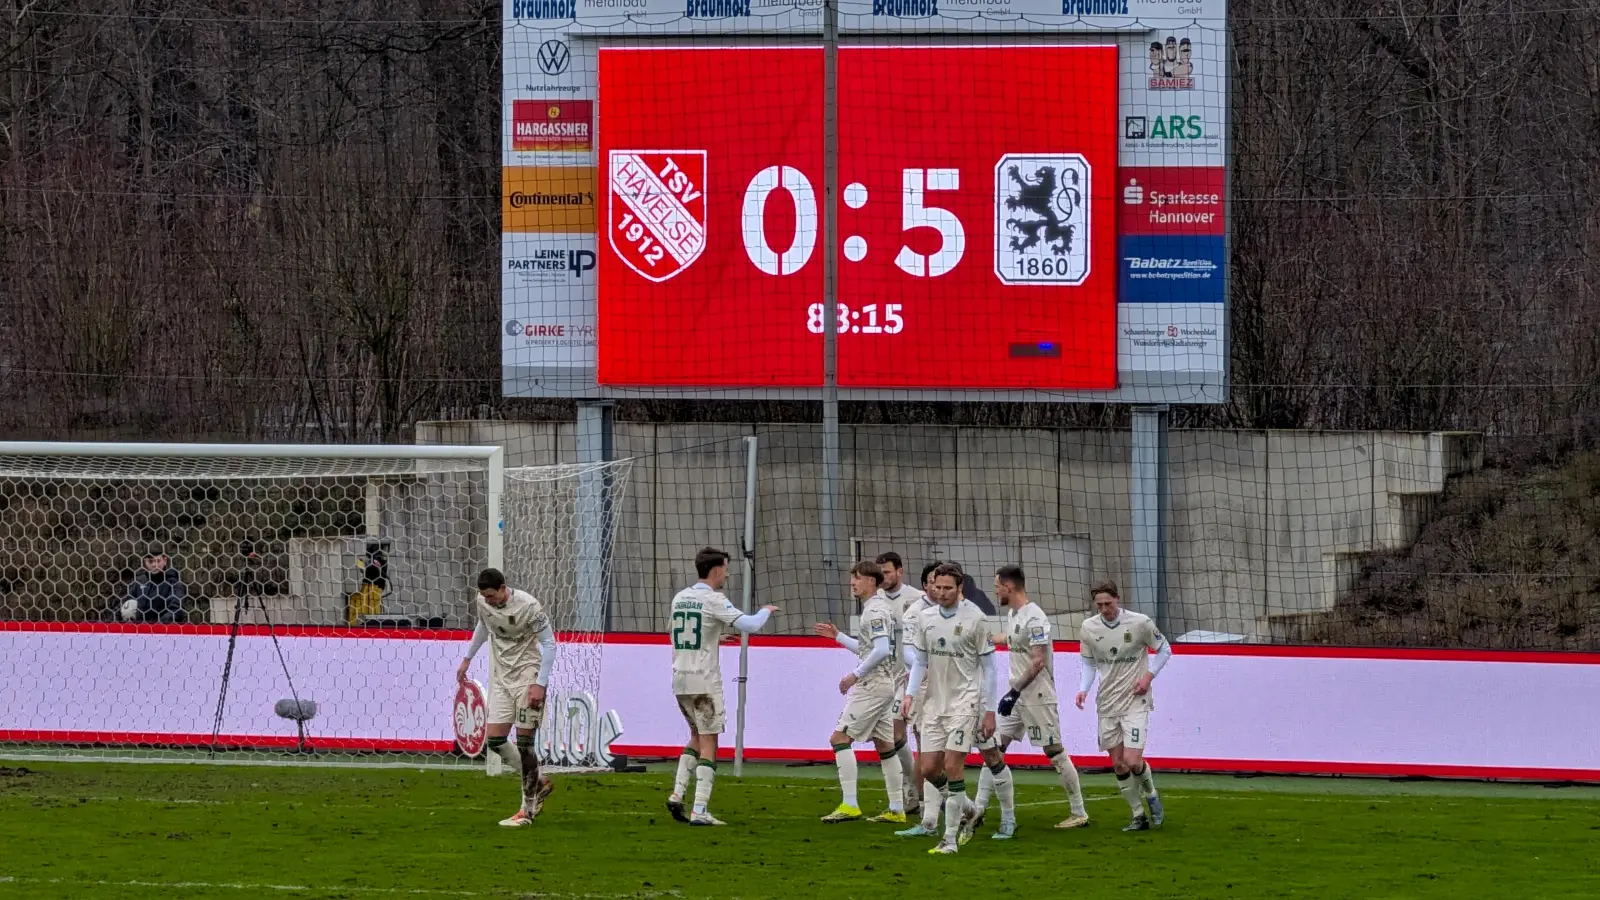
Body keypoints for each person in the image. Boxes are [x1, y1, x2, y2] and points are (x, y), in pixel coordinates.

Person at [666, 547, 779, 826]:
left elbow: (679, 633)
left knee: (695, 735)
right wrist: (765, 611)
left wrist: (715, 637)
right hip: (704, 680)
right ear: (716, 570)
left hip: (680, 678)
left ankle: (677, 794)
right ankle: (700, 809)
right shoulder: (713, 599)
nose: (727, 573)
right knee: (709, 742)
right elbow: (750, 625)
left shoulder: (680, 598)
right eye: (726, 568)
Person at [973, 565, 1088, 839]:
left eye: (997, 586)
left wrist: (1013, 691)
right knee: (992, 747)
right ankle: (977, 808)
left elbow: (1038, 661)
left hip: (1037, 695)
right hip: (1016, 696)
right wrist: (981, 640)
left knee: (1054, 751)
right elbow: (1008, 639)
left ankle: (1079, 811)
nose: (995, 590)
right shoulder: (1014, 615)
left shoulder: (1036, 618)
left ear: (1008, 586)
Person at [902, 562, 998, 855]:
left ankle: (949, 839)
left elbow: (990, 668)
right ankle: (971, 809)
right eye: (937, 587)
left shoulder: (976, 618)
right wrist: (909, 695)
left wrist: (989, 710)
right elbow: (919, 661)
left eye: (947, 588)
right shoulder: (926, 618)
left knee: (953, 766)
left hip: (964, 702)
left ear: (960, 589)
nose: (941, 593)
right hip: (933, 703)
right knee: (930, 769)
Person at [456, 567, 560, 828]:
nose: (488, 600)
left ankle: (527, 810)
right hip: (502, 679)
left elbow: (549, 644)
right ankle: (539, 781)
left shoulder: (529, 607)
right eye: (485, 596)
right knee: (495, 739)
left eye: (492, 595)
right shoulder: (483, 602)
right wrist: (467, 659)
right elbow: (484, 623)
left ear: (503, 588)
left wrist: (540, 683)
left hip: (528, 677)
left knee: (525, 744)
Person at [813, 560, 908, 823]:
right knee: (885, 746)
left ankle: (850, 804)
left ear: (871, 581)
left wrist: (854, 675)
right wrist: (839, 637)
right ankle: (897, 809)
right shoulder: (877, 609)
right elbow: (869, 648)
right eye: (851, 578)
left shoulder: (875, 610)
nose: (852, 582)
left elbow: (880, 651)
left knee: (839, 739)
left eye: (857, 578)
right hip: (884, 685)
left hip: (873, 686)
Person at [1076, 580, 1173, 832]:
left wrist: (1148, 676)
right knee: (1118, 764)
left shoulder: (1139, 622)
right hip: (1107, 703)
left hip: (1135, 700)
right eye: (1099, 605)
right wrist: (1083, 690)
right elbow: (1088, 663)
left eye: (1108, 603)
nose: (1104, 608)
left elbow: (1164, 649)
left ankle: (1151, 794)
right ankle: (1138, 815)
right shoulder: (1088, 627)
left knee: (1132, 760)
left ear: (1118, 599)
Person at [875, 551, 925, 817]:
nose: (882, 577)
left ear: (900, 572)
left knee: (922, 736)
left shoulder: (916, 598)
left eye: (886, 572)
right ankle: (911, 788)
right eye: (879, 572)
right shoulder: (876, 600)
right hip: (888, 677)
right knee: (895, 737)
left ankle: (925, 791)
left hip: (913, 677)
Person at [121, 548, 186, 624]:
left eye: (158, 561)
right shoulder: (139, 582)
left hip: (163, 631)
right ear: (145, 562)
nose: (155, 565)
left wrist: (157, 626)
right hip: (139, 630)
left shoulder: (173, 583)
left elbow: (177, 610)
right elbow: (124, 603)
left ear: (165, 561)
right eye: (150, 561)